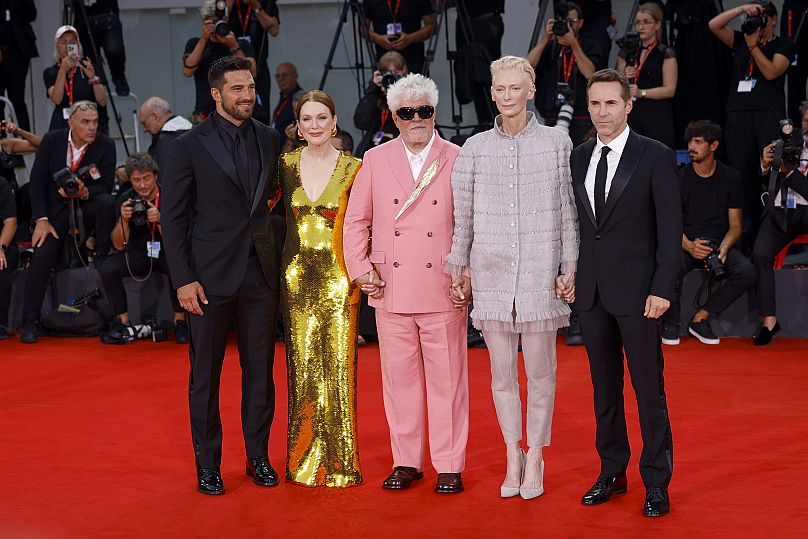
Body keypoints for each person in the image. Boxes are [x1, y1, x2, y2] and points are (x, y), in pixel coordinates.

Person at [445, 55, 579, 500]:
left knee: (542, 374)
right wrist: (459, 268)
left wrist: (569, 266)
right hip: (491, 273)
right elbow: (462, 219)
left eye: (514, 88)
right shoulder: (475, 149)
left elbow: (567, 212)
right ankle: (511, 454)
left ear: (531, 90)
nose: (505, 96)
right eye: (498, 89)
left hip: (541, 271)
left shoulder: (557, 143)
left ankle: (536, 454)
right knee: (501, 377)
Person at [343, 73, 469, 494]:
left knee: (447, 379)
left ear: (435, 113)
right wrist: (360, 268)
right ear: (393, 117)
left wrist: (466, 274)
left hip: (443, 284)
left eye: (425, 111)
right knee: (399, 380)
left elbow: (472, 224)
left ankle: (449, 463)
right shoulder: (375, 159)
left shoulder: (457, 156)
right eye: (407, 112)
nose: (417, 119)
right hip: (389, 285)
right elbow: (356, 220)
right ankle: (406, 461)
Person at [161, 56, 282, 495]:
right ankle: (208, 466)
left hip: (259, 277)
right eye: (237, 89)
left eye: (250, 87)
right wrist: (183, 279)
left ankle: (258, 457)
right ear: (216, 94)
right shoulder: (188, 145)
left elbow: (278, 206)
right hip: (207, 281)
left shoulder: (270, 139)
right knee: (205, 378)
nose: (247, 95)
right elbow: (173, 221)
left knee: (260, 374)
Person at [571, 69, 680, 517]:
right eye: (595, 104)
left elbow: (671, 230)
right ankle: (612, 471)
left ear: (628, 104)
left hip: (640, 296)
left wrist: (662, 288)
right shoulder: (578, 156)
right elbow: (581, 228)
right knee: (604, 390)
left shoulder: (653, 155)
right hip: (593, 292)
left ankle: (656, 482)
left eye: (610, 103)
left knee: (648, 390)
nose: (602, 112)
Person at [273, 90, 363, 487]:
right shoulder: (285, 165)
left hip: (339, 277)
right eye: (306, 119)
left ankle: (342, 464)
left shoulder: (355, 167)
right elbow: (262, 214)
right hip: (295, 279)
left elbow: (365, 224)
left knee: (339, 371)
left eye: (321, 118)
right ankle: (302, 461)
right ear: (297, 125)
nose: (314, 126)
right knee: (303, 370)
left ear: (334, 121)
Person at [19, 101, 116, 344]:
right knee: (41, 256)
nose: (92, 127)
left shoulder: (106, 145)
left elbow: (105, 186)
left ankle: (103, 250)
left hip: (87, 205)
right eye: (85, 122)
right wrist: (40, 220)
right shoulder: (52, 140)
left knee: (105, 202)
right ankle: (30, 321)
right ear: (70, 122)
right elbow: (36, 184)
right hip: (54, 214)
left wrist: (84, 192)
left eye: (95, 122)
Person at [661, 120, 756, 346]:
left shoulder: (731, 178)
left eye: (698, 142)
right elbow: (669, 222)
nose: (692, 147)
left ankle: (701, 318)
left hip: (718, 243)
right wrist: (688, 246)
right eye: (690, 142)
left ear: (713, 146)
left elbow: (735, 225)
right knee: (669, 267)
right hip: (685, 241)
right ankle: (671, 323)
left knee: (747, 271)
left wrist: (723, 248)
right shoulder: (678, 177)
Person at [709, 1, 792, 238]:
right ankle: (743, 231)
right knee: (741, 173)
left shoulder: (782, 43)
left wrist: (754, 46)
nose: (760, 22)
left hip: (767, 113)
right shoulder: (741, 41)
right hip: (738, 114)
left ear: (774, 20)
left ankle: (771, 227)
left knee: (771, 169)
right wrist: (742, 10)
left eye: (765, 17)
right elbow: (713, 25)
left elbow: (772, 71)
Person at [98, 153, 188, 345]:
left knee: (178, 264)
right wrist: (123, 219)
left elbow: (181, 240)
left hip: (166, 251)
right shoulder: (126, 200)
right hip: (139, 253)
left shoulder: (170, 196)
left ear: (156, 176)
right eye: (136, 180)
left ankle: (180, 321)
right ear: (130, 180)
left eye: (146, 178)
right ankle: (122, 322)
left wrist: (161, 220)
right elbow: (117, 244)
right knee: (108, 268)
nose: (142, 185)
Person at [752, 104, 808, 345]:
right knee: (760, 254)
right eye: (805, 118)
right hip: (781, 210)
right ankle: (769, 321)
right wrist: (767, 162)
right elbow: (766, 177)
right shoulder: (787, 141)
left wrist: (788, 172)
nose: (806, 123)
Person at [528, 2, 604, 146]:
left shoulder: (590, 45)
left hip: (581, 114)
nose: (568, 26)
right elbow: (528, 66)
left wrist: (574, 44)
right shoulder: (551, 47)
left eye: (572, 22)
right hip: (552, 113)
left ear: (580, 23)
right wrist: (546, 38)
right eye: (564, 22)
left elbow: (590, 73)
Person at [182, 0, 257, 122]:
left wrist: (233, 46)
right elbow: (187, 70)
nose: (216, 25)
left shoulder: (240, 44)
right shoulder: (195, 44)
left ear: (226, 19)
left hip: (235, 113)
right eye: (212, 22)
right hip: (205, 115)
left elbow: (252, 73)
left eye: (219, 21)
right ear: (204, 22)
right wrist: (204, 39)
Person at [616, 2, 677, 150]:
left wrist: (641, 92)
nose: (640, 27)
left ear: (657, 25)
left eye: (646, 22)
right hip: (632, 115)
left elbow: (670, 89)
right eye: (637, 23)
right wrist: (624, 75)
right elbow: (617, 84)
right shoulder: (628, 50)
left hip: (656, 114)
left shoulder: (665, 52)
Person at [44, 25, 109, 134]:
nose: (67, 46)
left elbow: (102, 101)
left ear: (78, 46)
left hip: (87, 123)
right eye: (63, 42)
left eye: (72, 42)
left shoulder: (89, 67)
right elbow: (56, 99)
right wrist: (62, 71)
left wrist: (93, 78)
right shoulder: (51, 72)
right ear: (57, 46)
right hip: (62, 124)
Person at [226, 0, 280, 122]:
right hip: (228, 68)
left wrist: (256, 6)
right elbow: (216, 28)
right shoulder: (225, 3)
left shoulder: (264, 2)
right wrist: (227, 8)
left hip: (259, 67)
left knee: (260, 114)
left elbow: (274, 30)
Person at [453, 0, 505, 128]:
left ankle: (495, 121)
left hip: (486, 19)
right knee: (469, 71)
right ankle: (483, 122)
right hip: (465, 20)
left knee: (487, 72)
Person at [353, 51, 407, 156]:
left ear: (403, 74)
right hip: (374, 152)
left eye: (395, 73)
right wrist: (373, 90)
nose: (391, 78)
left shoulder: (413, 99)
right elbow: (360, 123)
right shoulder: (375, 97)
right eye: (387, 73)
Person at [71, 0, 129, 96]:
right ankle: (98, 86)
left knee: (113, 49)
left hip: (107, 14)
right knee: (91, 60)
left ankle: (118, 76)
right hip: (83, 18)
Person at [362, 0, 435, 75]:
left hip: (414, 59)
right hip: (384, 59)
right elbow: (362, 28)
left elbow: (432, 26)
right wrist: (379, 39)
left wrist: (410, 38)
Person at [0, 0, 38, 131]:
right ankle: (2, 143)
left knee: (17, 100)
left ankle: (23, 142)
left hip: (18, 51)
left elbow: (32, 15)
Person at [138, 97, 193, 174]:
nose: (145, 129)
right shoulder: (191, 129)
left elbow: (164, 177)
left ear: (155, 117)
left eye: (145, 123)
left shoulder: (165, 139)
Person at [272, 62, 304, 151]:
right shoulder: (283, 97)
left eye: (285, 75)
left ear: (295, 76)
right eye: (277, 76)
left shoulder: (300, 99)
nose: (280, 79)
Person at [0, 176, 17, 339]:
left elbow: (10, 222)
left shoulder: (1, 184)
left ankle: (1, 322)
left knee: (1, 263)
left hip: (2, 243)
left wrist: (0, 248)